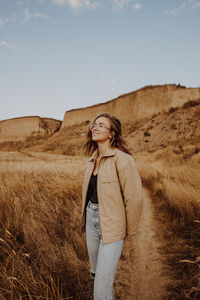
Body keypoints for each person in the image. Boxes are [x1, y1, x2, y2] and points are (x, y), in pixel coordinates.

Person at [81, 113, 143, 300]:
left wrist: (129, 233)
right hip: (91, 222)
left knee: (101, 288)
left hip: (113, 225)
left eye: (101, 125)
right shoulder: (90, 161)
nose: (95, 127)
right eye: (94, 125)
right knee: (96, 274)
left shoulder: (123, 160)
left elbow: (134, 199)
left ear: (112, 134)